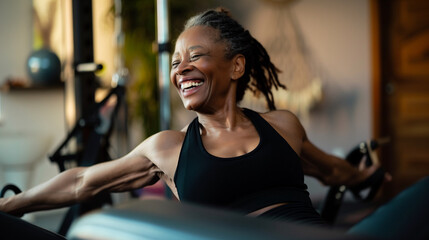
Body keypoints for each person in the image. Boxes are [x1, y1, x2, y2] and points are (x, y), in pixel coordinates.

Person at [1, 7, 388, 237]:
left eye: (196, 56)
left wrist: (365, 177)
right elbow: (83, 181)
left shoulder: (283, 126)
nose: (181, 69)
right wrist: (15, 204)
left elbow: (332, 169)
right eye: (175, 63)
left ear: (236, 66)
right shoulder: (167, 148)